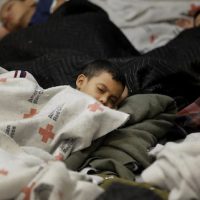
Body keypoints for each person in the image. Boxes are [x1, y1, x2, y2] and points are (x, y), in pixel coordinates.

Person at [0, 0, 66, 38]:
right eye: (5, 23)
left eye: (9, 8)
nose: (6, 17)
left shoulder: (44, 3)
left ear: (28, 1)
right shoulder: (22, 37)